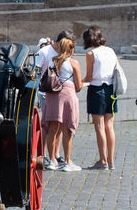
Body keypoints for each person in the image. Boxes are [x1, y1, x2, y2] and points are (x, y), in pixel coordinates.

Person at [42, 34, 83, 171]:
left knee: (52, 129)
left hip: (52, 95)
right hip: (67, 94)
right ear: (70, 49)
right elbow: (79, 85)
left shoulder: (53, 61)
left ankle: (52, 159)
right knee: (67, 129)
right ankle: (67, 161)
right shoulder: (73, 63)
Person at [83, 26, 119, 171]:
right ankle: (111, 160)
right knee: (109, 126)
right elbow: (117, 69)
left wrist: (77, 81)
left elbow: (89, 77)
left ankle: (102, 160)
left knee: (99, 127)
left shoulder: (91, 54)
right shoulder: (110, 51)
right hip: (111, 89)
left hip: (97, 90)